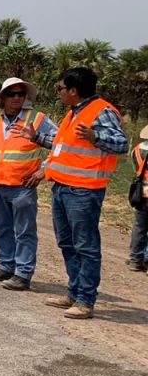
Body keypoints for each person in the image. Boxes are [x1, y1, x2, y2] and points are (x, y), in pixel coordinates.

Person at [23, 67, 129, 319]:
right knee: (67, 243)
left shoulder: (102, 111)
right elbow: (64, 146)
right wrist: (38, 138)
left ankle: (85, 300)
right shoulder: (74, 113)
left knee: (86, 246)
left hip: (84, 191)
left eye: (60, 88)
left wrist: (95, 136)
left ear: (73, 90)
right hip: (62, 187)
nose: (58, 93)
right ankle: (74, 292)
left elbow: (121, 143)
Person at [0, 77, 58, 291]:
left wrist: (44, 170)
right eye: (12, 94)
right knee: (2, 229)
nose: (17, 98)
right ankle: (5, 265)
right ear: (3, 97)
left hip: (23, 186)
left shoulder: (37, 119)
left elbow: (61, 144)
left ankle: (23, 273)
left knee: (24, 231)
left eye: (21, 94)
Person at [128, 125, 148, 272]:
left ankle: (135, 259)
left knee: (140, 227)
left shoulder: (136, 149)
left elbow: (137, 170)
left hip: (141, 192)